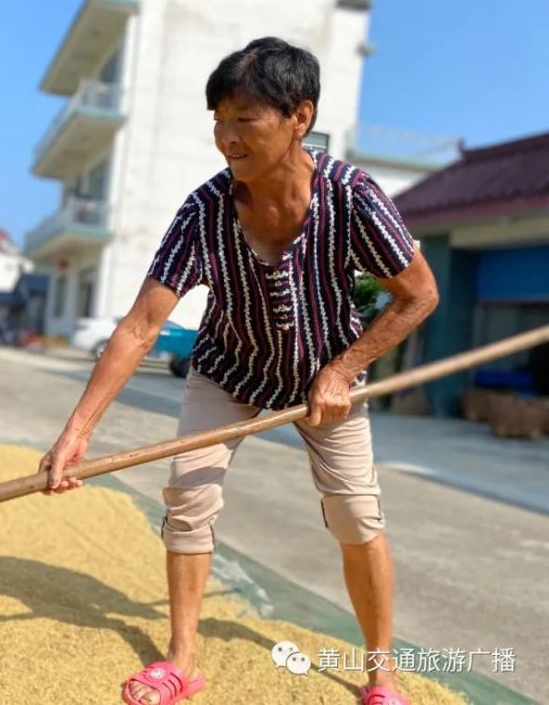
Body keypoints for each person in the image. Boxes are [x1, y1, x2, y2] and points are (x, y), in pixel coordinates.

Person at [37, 37, 438, 705]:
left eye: (244, 120)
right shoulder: (204, 212)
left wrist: (343, 370)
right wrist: (77, 431)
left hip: (326, 377)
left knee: (356, 516)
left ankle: (380, 677)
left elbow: (419, 294)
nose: (226, 138)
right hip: (227, 371)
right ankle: (182, 660)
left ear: (299, 117)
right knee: (189, 499)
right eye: (218, 121)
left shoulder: (352, 199)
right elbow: (141, 325)